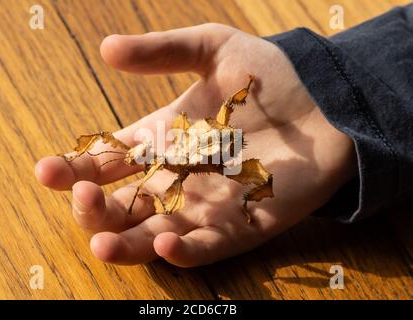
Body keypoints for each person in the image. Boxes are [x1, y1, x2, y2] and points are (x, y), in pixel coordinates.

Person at [35, 4, 413, 267]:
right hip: (213, 151)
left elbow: (208, 134)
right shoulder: (172, 163)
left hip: (221, 151)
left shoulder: (178, 163)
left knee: (214, 162)